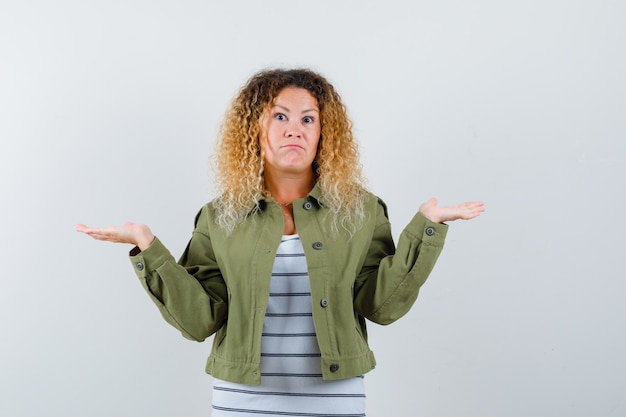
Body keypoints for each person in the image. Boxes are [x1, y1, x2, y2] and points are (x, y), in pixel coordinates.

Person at [77, 68, 484, 416]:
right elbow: (199, 320)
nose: (294, 128)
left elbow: (380, 306)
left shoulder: (361, 210)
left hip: (335, 398)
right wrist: (148, 248)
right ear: (254, 127)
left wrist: (427, 228)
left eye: (308, 119)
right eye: (280, 116)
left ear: (325, 132)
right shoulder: (220, 217)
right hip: (242, 399)